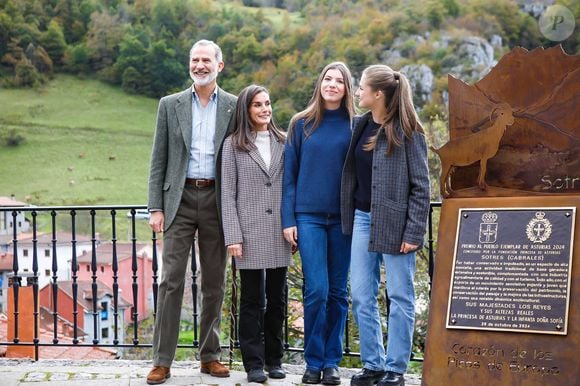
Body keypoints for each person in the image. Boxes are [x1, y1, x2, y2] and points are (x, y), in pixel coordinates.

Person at [146, 39, 237, 385]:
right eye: (194, 60)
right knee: (170, 281)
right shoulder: (170, 105)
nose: (199, 65)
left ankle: (210, 356)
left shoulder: (233, 105)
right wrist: (156, 206)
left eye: (206, 60)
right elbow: (158, 159)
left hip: (217, 200)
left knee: (214, 281)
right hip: (179, 201)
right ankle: (162, 360)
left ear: (219, 65)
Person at [341, 64, 430, 386]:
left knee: (400, 297)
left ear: (378, 94)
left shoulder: (409, 133)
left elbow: (421, 187)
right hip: (362, 220)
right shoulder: (359, 126)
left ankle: (396, 369)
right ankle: (373, 365)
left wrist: (414, 232)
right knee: (362, 296)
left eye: (362, 87)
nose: (357, 92)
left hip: (396, 224)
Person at [282, 62, 355, 385]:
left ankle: (331, 362)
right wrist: (289, 220)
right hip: (308, 217)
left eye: (339, 81)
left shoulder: (357, 125)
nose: (333, 84)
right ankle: (313, 361)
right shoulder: (301, 124)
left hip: (344, 219)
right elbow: (289, 178)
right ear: (320, 83)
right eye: (328, 78)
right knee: (316, 291)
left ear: (347, 88)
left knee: (339, 293)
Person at [221, 85, 293, 383]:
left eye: (268, 103)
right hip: (248, 234)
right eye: (258, 105)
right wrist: (232, 236)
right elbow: (227, 193)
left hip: (279, 231)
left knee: (277, 298)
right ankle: (253, 364)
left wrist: (294, 224)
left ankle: (274, 359)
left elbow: (292, 187)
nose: (265, 109)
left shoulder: (285, 142)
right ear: (246, 110)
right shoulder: (232, 145)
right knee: (252, 300)